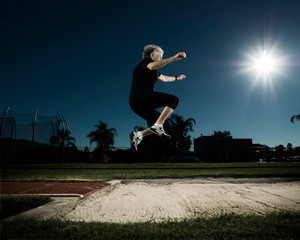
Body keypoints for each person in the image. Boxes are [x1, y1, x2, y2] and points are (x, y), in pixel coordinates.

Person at [129, 44, 187, 151]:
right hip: (141, 97)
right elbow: (152, 66)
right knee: (173, 100)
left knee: (166, 124)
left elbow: (164, 78)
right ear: (152, 54)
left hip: (137, 104)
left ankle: (139, 135)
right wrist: (173, 58)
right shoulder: (146, 62)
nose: (161, 59)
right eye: (160, 56)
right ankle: (157, 126)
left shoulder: (153, 71)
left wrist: (177, 78)